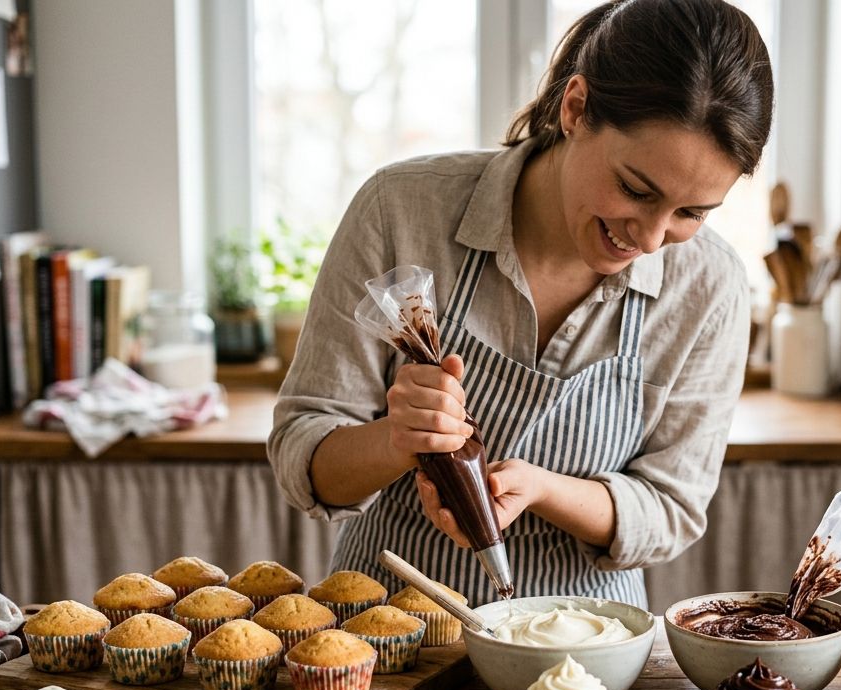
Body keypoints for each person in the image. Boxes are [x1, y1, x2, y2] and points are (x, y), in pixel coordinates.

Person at [268, 0, 774, 609]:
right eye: (636, 190)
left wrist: (542, 489)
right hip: (387, 639)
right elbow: (304, 453)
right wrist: (397, 440)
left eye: (691, 213)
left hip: (586, 649)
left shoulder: (709, 285)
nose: (647, 239)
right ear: (576, 107)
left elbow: (671, 508)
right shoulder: (401, 210)